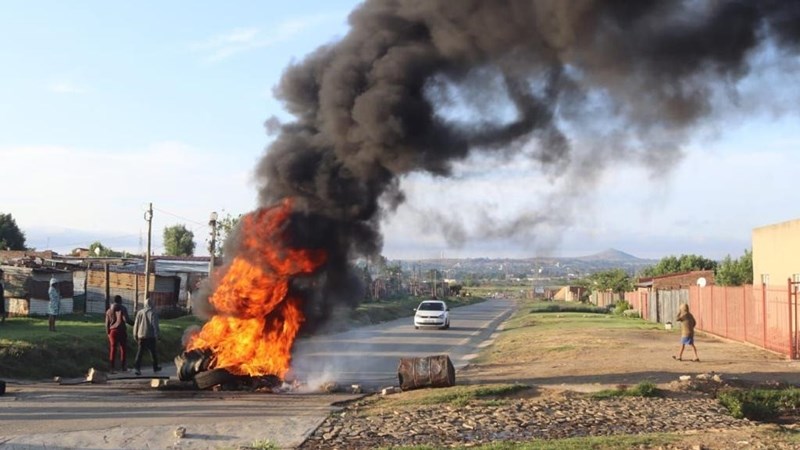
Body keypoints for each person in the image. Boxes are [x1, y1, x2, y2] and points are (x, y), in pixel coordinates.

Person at [132, 297, 161, 376]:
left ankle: (137, 368)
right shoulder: (153, 313)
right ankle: (155, 367)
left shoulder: (140, 312)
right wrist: (157, 336)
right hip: (150, 336)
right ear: (152, 304)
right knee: (153, 353)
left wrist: (135, 334)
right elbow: (155, 325)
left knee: (140, 352)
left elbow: (136, 324)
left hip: (141, 336)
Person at [105, 295, 133, 373]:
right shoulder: (123, 308)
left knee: (113, 349)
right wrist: (134, 323)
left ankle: (112, 368)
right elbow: (126, 320)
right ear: (120, 301)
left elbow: (106, 323)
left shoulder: (108, 310)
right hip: (121, 330)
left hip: (112, 332)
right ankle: (123, 367)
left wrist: (108, 332)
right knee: (123, 349)